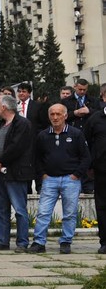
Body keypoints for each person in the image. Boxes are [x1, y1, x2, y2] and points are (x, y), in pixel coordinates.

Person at [28, 104, 90, 254]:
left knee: (70, 213)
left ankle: (66, 242)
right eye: (52, 114)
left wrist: (76, 174)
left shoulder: (76, 134)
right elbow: (36, 158)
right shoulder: (42, 136)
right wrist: (42, 175)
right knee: (43, 212)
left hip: (71, 180)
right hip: (49, 179)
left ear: (65, 116)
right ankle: (39, 242)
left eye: (58, 114)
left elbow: (86, 157)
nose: (55, 117)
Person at [0, 94, 35, 253]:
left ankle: (22, 242)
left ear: (4, 107)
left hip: (16, 173)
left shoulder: (23, 124)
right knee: (0, 208)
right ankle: (2, 241)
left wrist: (0, 160)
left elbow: (16, 146)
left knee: (19, 209)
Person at [84, 104, 106, 253]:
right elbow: (86, 142)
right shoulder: (95, 119)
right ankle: (104, 241)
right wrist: (91, 164)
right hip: (102, 170)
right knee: (103, 206)